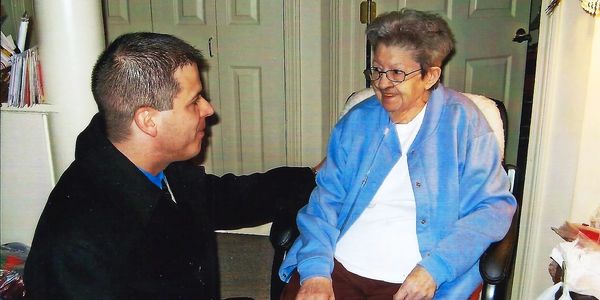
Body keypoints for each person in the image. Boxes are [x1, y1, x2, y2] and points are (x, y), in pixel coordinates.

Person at [23, 32, 316, 299]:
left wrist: (313, 177)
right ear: (148, 120)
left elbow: (221, 198)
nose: (208, 109)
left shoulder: (147, 161)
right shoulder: (79, 245)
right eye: (194, 101)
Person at [278, 9, 517, 299]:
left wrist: (436, 268)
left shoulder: (464, 123)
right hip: (339, 267)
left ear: (430, 76)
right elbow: (325, 202)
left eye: (397, 73)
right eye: (377, 70)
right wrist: (316, 272)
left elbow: (492, 208)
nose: (382, 83)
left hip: (419, 278)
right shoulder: (357, 122)